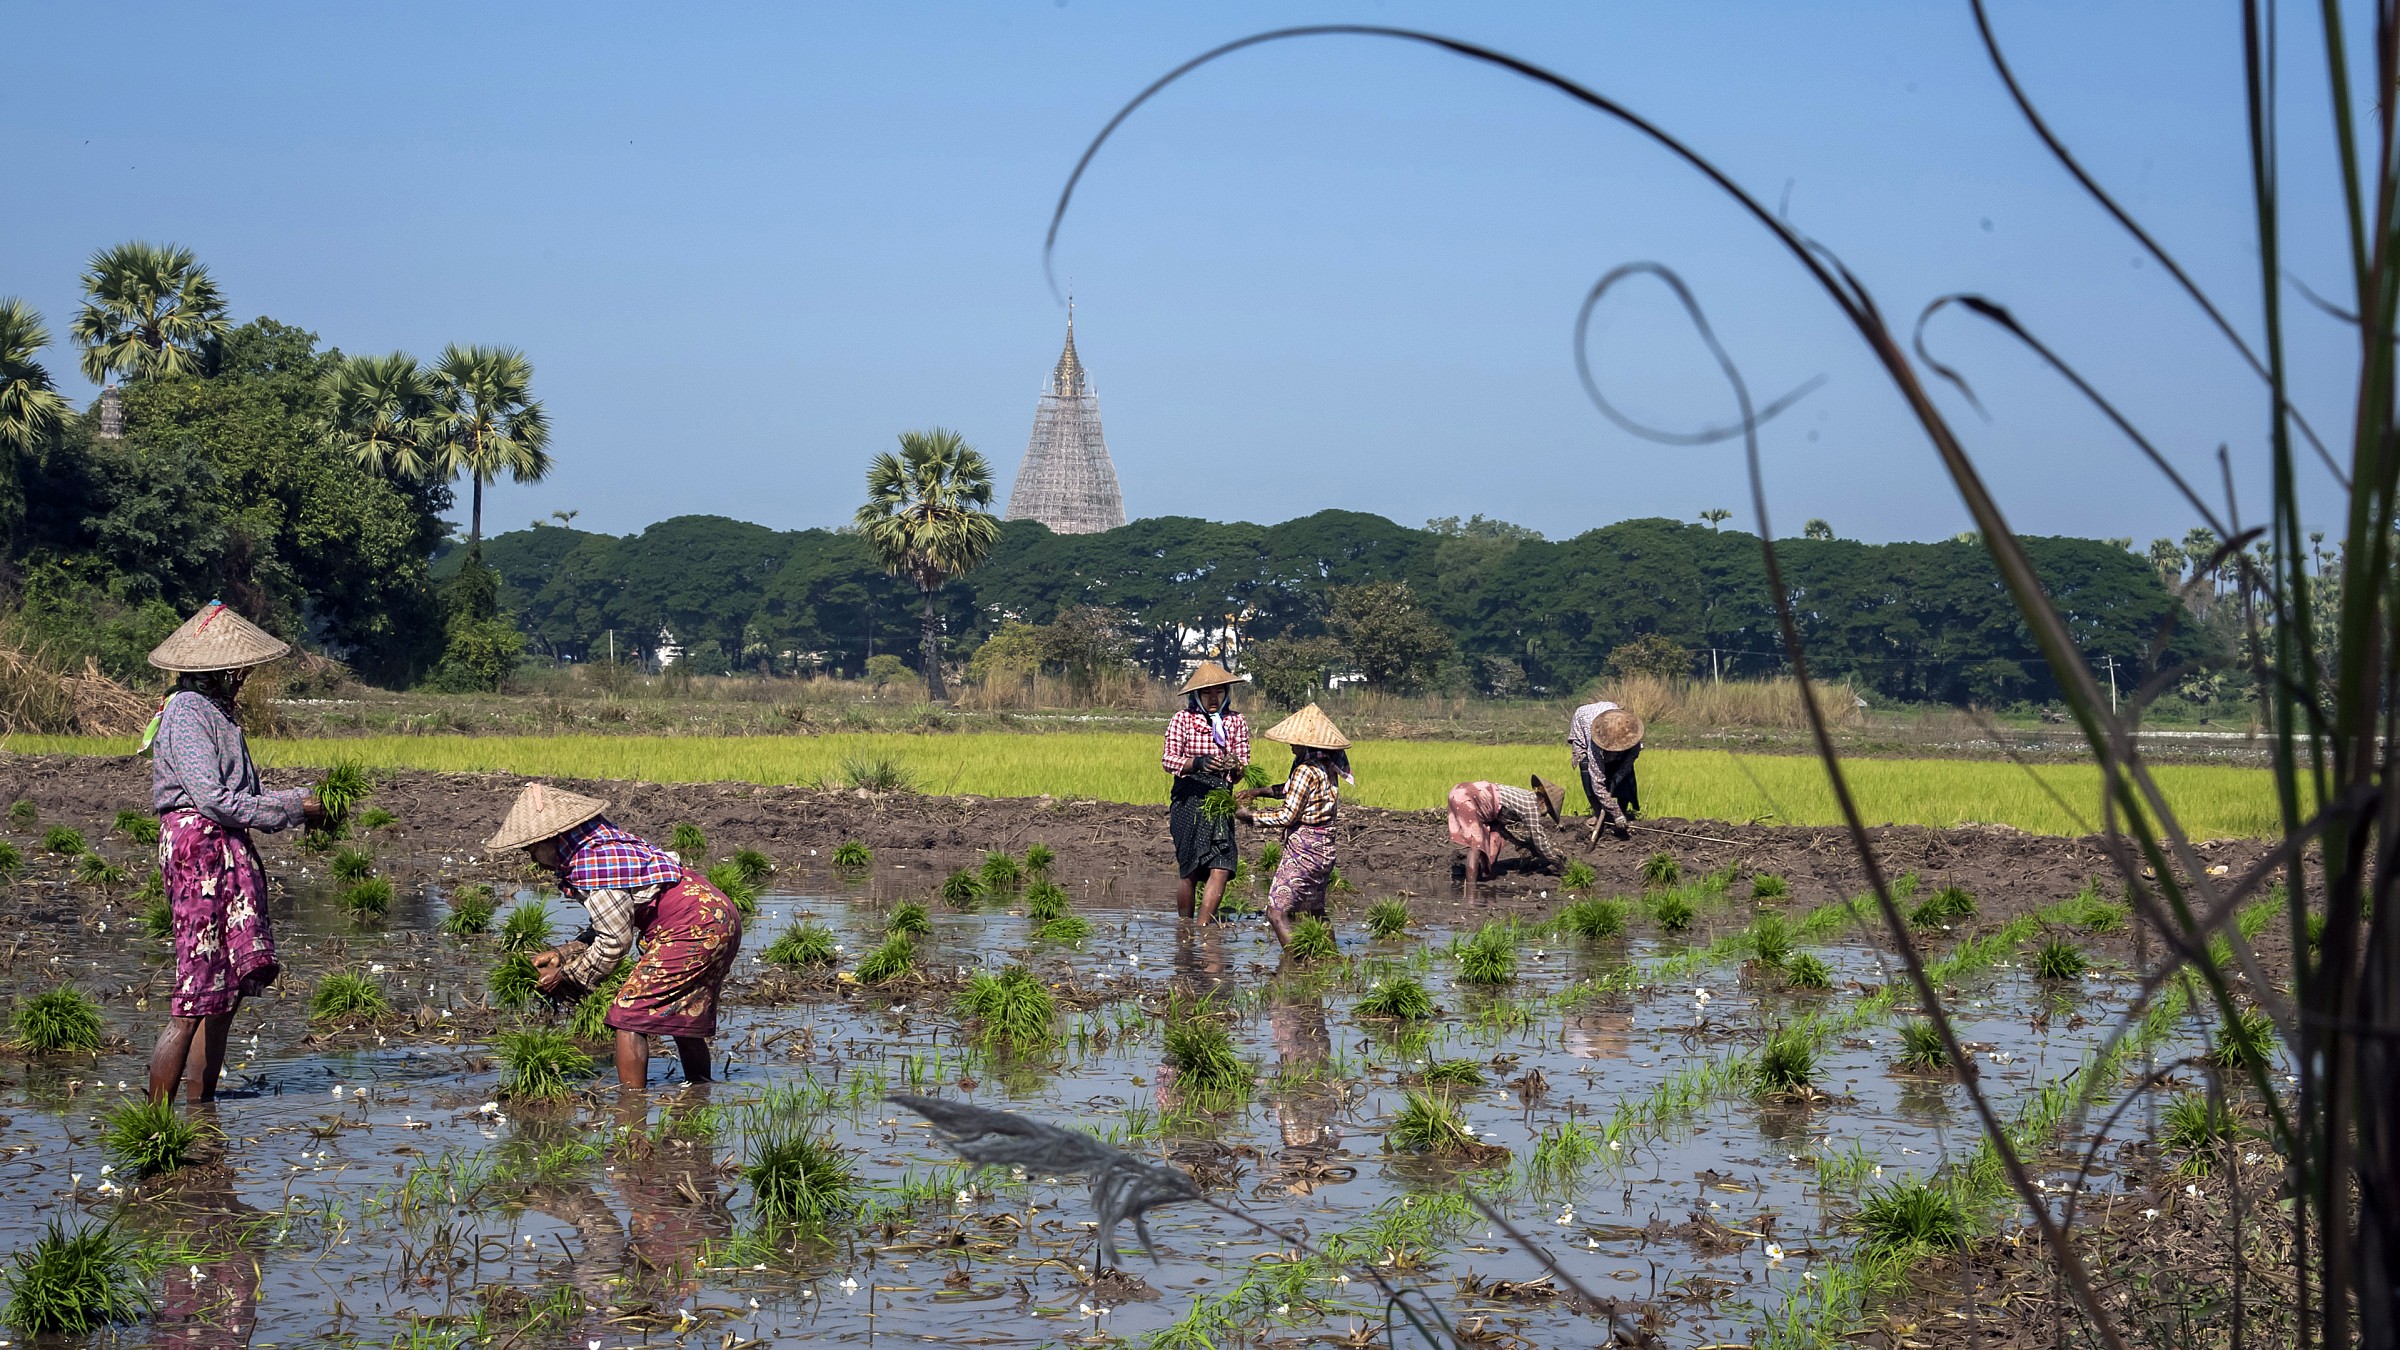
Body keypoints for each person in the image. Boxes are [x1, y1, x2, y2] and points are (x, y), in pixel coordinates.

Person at [144, 601, 329, 1106]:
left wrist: (302, 803)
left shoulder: (216, 713)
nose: (243, 678)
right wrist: (294, 806)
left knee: (222, 998)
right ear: (219, 670)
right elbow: (215, 799)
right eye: (238, 670)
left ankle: (201, 1114)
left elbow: (239, 797)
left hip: (224, 849)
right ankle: (155, 1126)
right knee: (193, 996)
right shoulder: (185, 712)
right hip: (199, 851)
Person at [487, 784, 744, 1089]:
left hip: (691, 927)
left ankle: (630, 1108)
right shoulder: (605, 847)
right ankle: (699, 1093)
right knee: (684, 1014)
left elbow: (614, 942)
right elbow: (616, 920)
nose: (533, 859)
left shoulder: (591, 865)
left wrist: (568, 978)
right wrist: (563, 952)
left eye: (531, 850)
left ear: (552, 839)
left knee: (628, 1014)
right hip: (716, 916)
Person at [1236, 703, 1351, 947]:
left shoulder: (1305, 770)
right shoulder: (1326, 766)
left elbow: (1287, 816)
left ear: (1305, 742)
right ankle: (1331, 958)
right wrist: (1258, 791)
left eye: (1294, 740)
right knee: (1314, 910)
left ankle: (1294, 961)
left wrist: (1250, 817)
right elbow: (1291, 791)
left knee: (1276, 912)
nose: (1290, 744)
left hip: (1304, 850)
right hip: (1324, 849)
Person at [1161, 661, 1250, 923]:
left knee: (1222, 865)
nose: (1214, 698)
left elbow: (1243, 761)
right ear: (1196, 695)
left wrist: (1236, 766)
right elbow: (1168, 760)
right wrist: (1196, 763)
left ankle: (1203, 927)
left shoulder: (1236, 721)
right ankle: (1185, 928)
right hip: (1189, 798)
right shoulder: (1182, 720)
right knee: (1189, 868)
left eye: (1219, 692)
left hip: (1220, 798)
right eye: (1208, 693)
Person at [1448, 775, 1569, 899]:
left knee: (1496, 837)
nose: (1546, 814)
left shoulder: (1525, 799)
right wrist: (1558, 864)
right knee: (1476, 844)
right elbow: (1539, 840)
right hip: (1466, 796)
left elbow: (1499, 828)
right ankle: (1471, 890)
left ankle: (1486, 874)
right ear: (1543, 801)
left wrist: (1519, 843)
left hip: (1465, 793)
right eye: (1548, 810)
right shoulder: (1531, 807)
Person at [1568, 700, 1645, 843]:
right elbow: (1597, 781)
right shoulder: (1596, 742)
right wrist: (1614, 812)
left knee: (1626, 777)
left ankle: (1623, 812)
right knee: (1586, 768)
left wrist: (1618, 776)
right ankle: (1598, 814)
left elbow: (1629, 761)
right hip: (1584, 727)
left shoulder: (1631, 734)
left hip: (1610, 715)